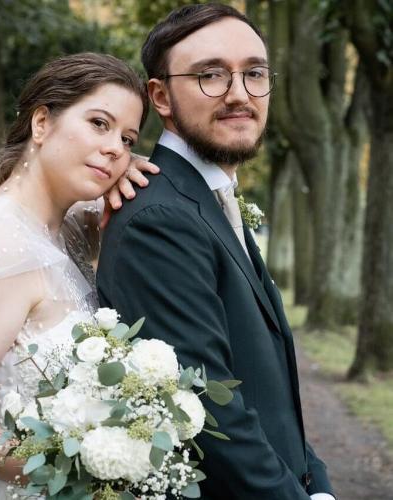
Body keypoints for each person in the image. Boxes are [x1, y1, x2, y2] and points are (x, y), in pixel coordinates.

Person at [97, 4, 336, 500]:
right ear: (160, 96)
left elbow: (268, 389)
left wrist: (317, 483)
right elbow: (208, 411)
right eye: (210, 75)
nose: (239, 94)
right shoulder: (158, 220)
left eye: (255, 73)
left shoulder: (210, 197)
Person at [0, 52, 156, 499]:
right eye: (99, 124)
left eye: (127, 138)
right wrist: (82, 479)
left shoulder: (69, 227)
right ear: (41, 123)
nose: (115, 149)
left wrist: (141, 175)